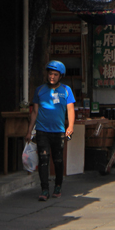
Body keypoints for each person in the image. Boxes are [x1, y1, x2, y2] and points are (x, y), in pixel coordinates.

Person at [26, 60, 75, 202]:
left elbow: (70, 109)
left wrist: (70, 126)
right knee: (43, 159)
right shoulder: (39, 90)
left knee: (58, 160)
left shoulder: (66, 90)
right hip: (42, 131)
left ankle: (58, 185)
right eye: (50, 73)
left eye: (55, 74)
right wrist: (29, 131)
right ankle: (44, 189)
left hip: (58, 131)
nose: (52, 76)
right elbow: (34, 112)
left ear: (60, 76)